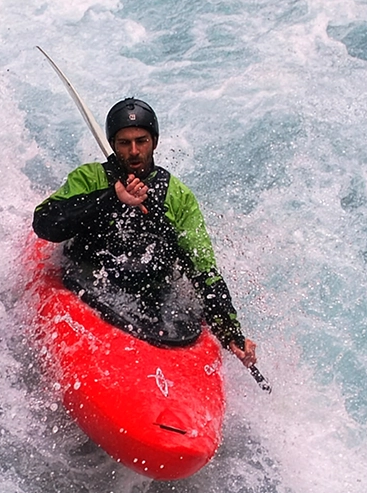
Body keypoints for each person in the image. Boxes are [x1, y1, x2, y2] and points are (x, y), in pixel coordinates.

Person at [32, 97, 258, 369]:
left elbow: (202, 268)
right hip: (88, 283)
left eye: (142, 141)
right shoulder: (90, 178)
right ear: (113, 144)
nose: (134, 151)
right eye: (124, 143)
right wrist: (111, 198)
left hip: (151, 297)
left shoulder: (177, 196)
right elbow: (44, 223)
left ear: (155, 142)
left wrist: (230, 333)